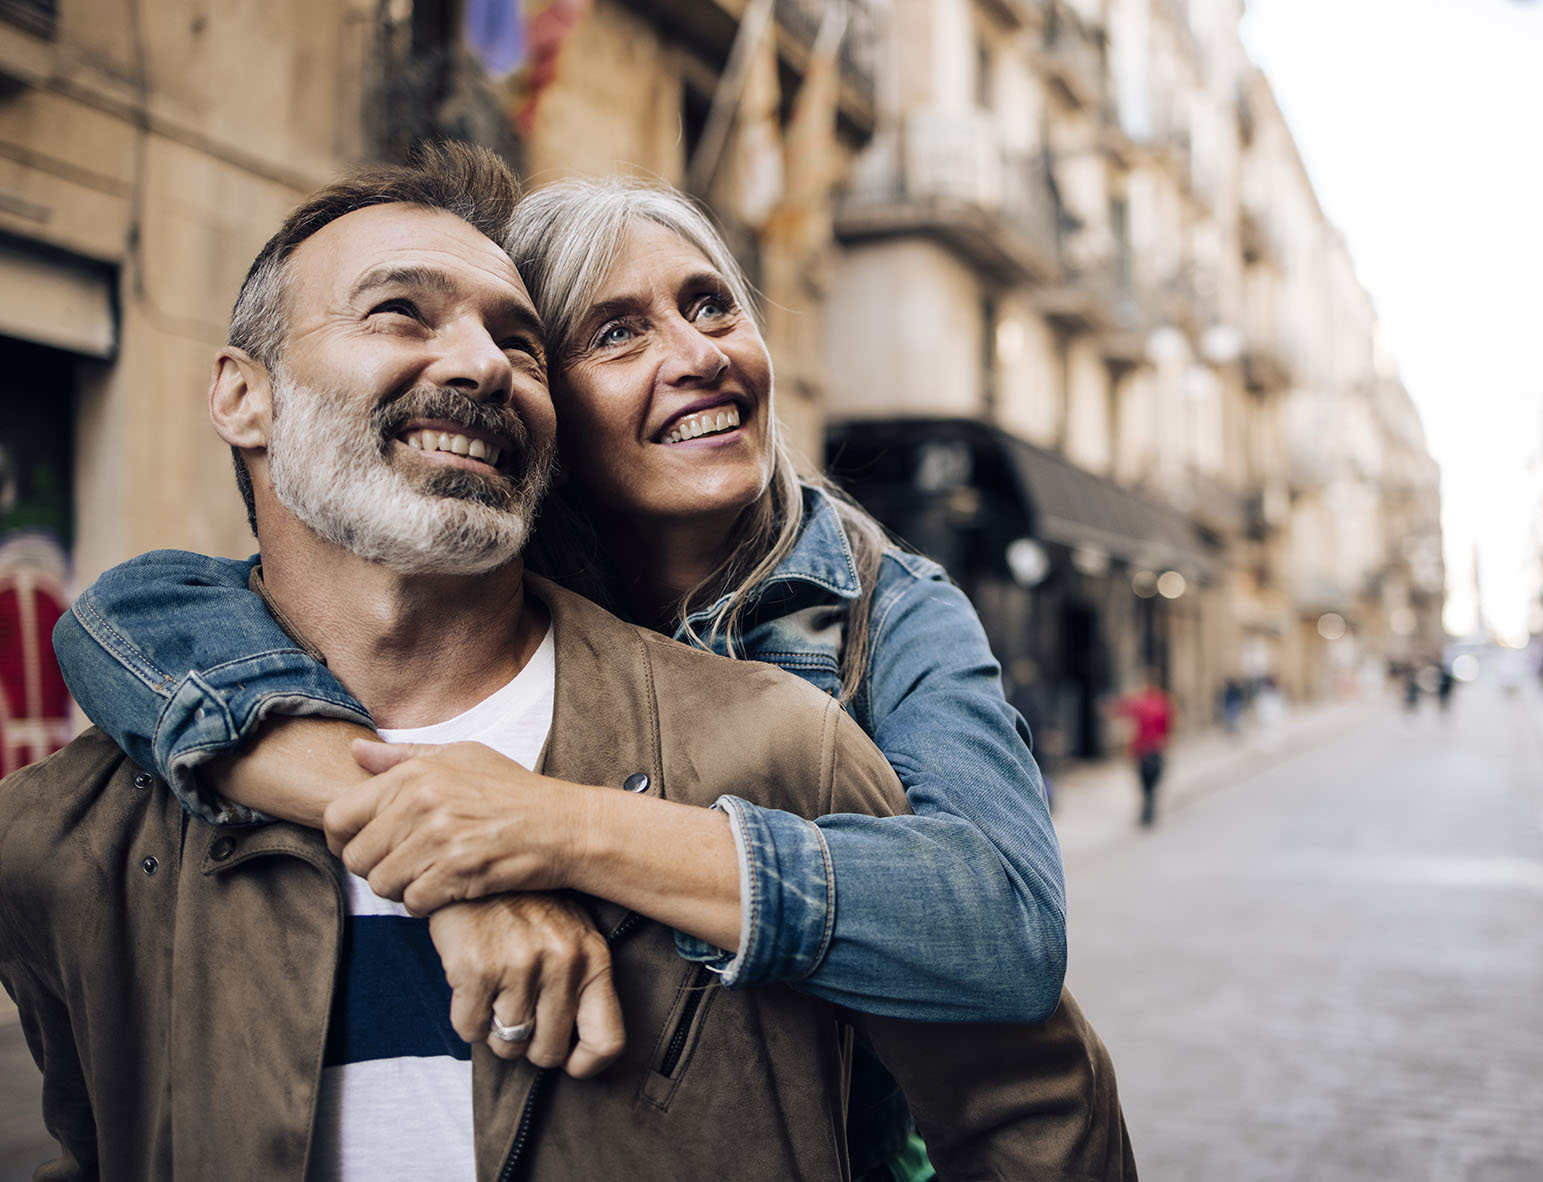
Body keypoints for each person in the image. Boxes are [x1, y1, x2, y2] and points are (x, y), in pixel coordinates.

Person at [11, 145, 1131, 1179]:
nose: (697, 354)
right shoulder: (103, 801)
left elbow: (1002, 946)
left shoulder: (862, 637)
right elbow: (123, 618)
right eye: (613, 335)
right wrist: (435, 857)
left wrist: (549, 827)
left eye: (711, 307)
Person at [1118, 675, 1173, 828]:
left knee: (1144, 782)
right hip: (1154, 748)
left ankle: (1146, 810)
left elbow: (1129, 722)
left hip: (1142, 749)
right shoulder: (1162, 701)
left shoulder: (1141, 703)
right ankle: (1149, 809)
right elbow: (1168, 726)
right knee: (1152, 781)